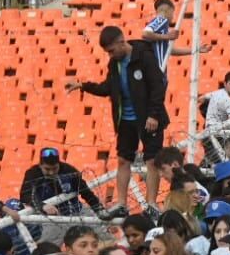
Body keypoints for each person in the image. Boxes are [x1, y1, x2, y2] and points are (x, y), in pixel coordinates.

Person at [68, 25, 168, 216]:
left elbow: (158, 86)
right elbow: (108, 88)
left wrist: (154, 114)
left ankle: (151, 205)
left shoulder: (143, 57)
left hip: (148, 118)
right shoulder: (114, 64)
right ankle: (121, 204)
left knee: (151, 160)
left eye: (112, 51)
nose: (110, 55)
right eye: (107, 52)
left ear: (122, 42)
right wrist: (83, 85)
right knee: (123, 160)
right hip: (126, 120)